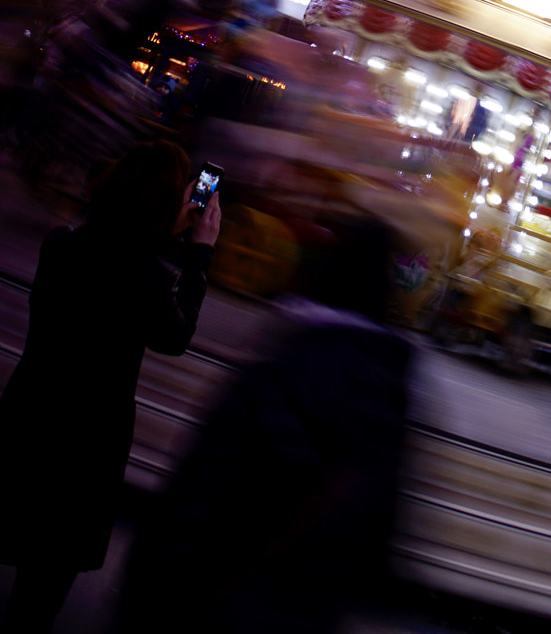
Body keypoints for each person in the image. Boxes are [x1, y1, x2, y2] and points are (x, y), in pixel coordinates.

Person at [118, 215, 411, 634]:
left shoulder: (278, 364)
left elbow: (198, 488)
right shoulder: (392, 397)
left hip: (222, 608)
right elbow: (377, 546)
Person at [0, 139, 219, 633]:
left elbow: (113, 258)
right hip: (87, 447)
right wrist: (199, 254)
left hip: (26, 415)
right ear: (165, 208)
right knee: (40, 591)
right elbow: (175, 334)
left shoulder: (61, 245)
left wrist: (161, 238)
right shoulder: (146, 280)